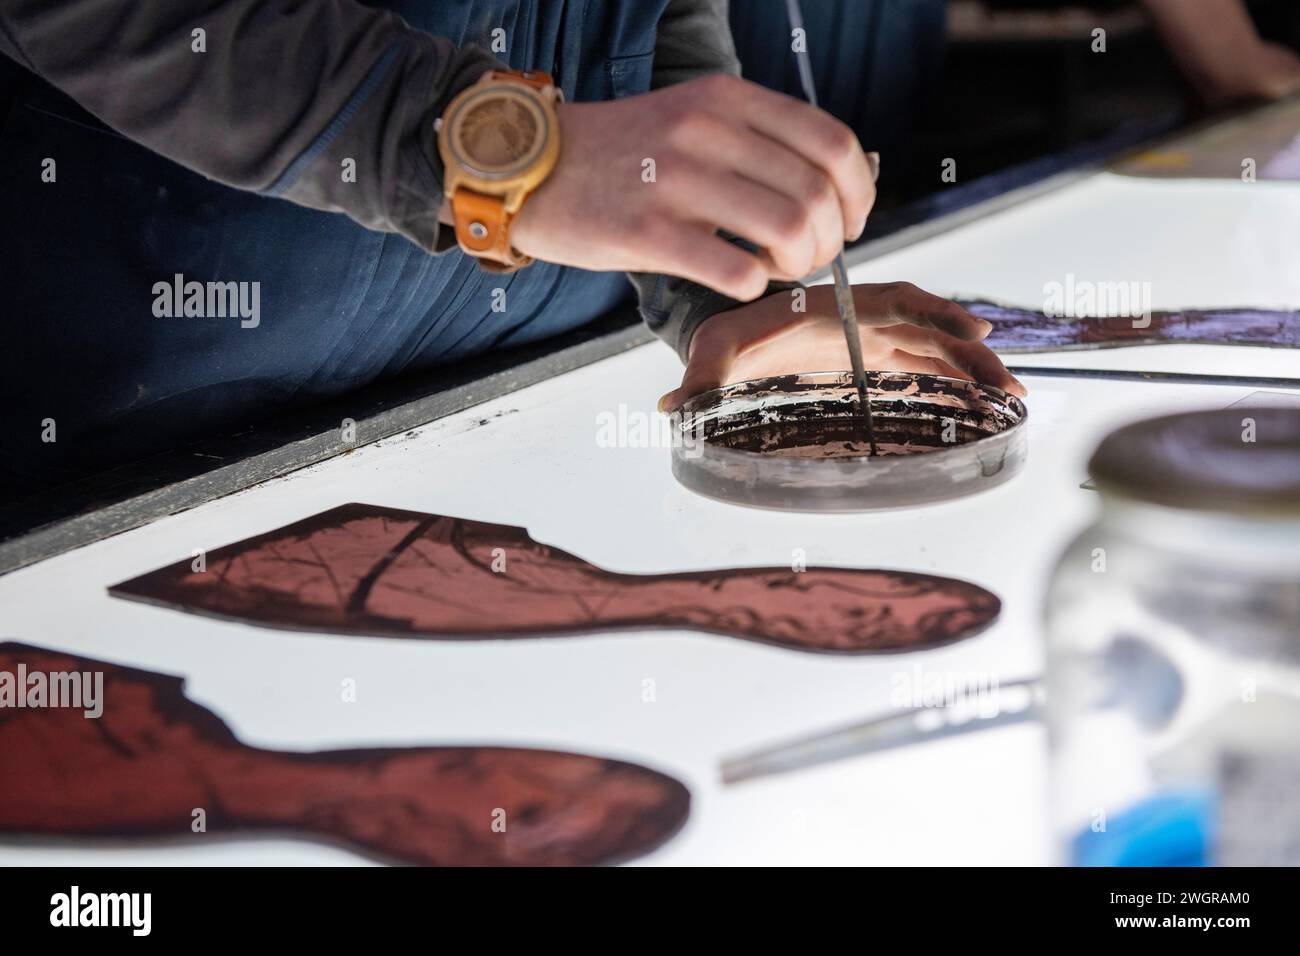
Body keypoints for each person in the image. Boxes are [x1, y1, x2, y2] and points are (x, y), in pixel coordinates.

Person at [0, 0, 1021, 495]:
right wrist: (493, 150)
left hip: (518, 388)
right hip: (160, 390)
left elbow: (649, 15)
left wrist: (716, 284)